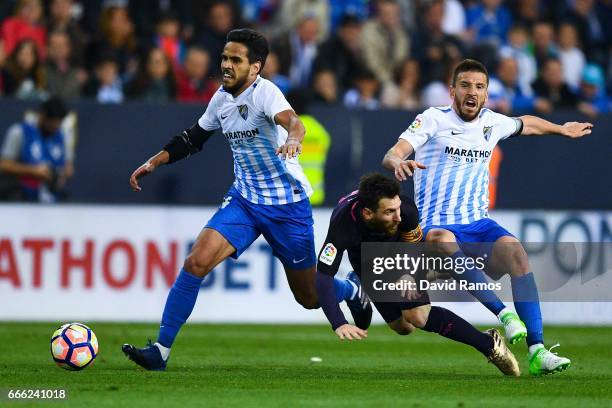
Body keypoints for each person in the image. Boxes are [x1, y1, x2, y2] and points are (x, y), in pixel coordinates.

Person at [121, 29, 371, 371]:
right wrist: (153, 162)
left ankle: (350, 290)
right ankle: (160, 351)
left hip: (287, 207)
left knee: (310, 297)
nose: (226, 64)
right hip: (244, 200)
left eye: (235, 59)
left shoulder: (265, 93)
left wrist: (295, 139)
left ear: (255, 68)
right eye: (225, 57)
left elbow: (293, 122)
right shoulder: (221, 99)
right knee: (196, 262)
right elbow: (193, 139)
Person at [382, 59, 593, 376]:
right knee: (440, 243)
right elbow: (393, 152)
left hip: (478, 225)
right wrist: (398, 161)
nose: (472, 92)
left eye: (479, 87)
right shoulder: (432, 119)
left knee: (516, 252)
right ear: (452, 90)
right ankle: (504, 315)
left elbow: (526, 123)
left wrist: (560, 129)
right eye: (465, 85)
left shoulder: (493, 122)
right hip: (436, 228)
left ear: (486, 93)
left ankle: (537, 351)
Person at [315, 173, 520, 376]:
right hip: (366, 260)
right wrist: (339, 322)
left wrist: (409, 274)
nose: (398, 216)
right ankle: (360, 288)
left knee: (417, 316)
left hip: (400, 250)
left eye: (397, 208)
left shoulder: (406, 211)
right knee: (403, 327)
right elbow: (323, 276)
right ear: (368, 213)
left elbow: (412, 245)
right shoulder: (342, 227)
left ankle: (489, 345)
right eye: (389, 212)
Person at [0, 97, 73, 202]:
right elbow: (3, 165)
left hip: (51, 196)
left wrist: (62, 174)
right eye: (52, 122)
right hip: (20, 194)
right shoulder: (19, 132)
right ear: (42, 116)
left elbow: (68, 166)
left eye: (59, 123)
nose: (56, 126)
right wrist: (32, 171)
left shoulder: (63, 136)